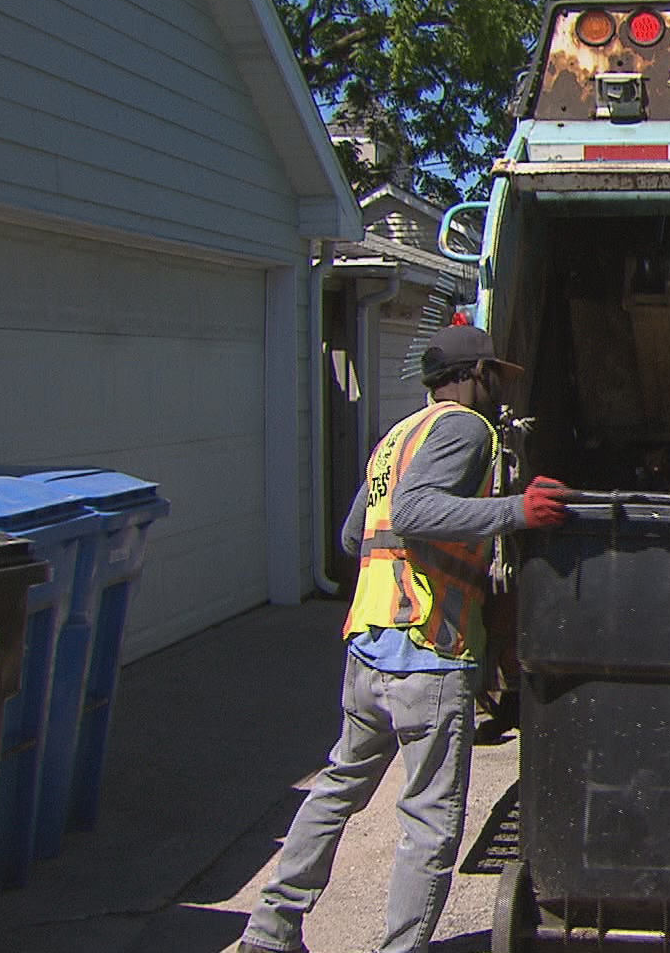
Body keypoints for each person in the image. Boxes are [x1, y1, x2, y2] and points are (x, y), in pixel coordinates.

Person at [239, 324, 571, 953]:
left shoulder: (397, 437)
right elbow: (418, 516)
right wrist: (515, 512)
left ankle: (270, 931)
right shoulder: (469, 430)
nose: (496, 388)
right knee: (430, 823)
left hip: (369, 645)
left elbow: (350, 539)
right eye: (492, 374)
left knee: (338, 787)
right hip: (428, 649)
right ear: (474, 375)